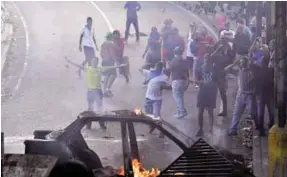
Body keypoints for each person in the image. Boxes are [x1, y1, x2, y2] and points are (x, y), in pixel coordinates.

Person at [65, 58, 126, 130]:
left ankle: (101, 125)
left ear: (97, 63)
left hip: (98, 91)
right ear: (91, 62)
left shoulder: (100, 69)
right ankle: (88, 125)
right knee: (90, 109)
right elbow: (78, 65)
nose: (94, 63)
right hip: (90, 91)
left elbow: (111, 67)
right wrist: (69, 61)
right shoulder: (88, 68)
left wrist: (120, 66)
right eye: (92, 62)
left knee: (99, 109)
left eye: (95, 62)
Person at [226, 56, 257, 136]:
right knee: (236, 113)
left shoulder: (252, 71)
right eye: (240, 62)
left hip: (250, 95)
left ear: (247, 63)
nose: (241, 63)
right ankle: (233, 130)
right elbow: (227, 69)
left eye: (243, 62)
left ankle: (256, 129)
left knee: (253, 114)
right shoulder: (238, 71)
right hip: (241, 94)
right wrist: (234, 63)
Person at [250, 37, 273, 136]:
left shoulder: (259, 65)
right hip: (264, 89)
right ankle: (266, 128)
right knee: (267, 110)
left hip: (263, 89)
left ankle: (263, 129)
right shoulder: (264, 66)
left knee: (262, 110)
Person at [195, 51, 217, 136]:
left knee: (210, 112)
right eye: (205, 58)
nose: (206, 60)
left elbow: (217, 81)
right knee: (200, 111)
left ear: (210, 60)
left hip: (211, 92)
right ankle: (200, 129)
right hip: (203, 91)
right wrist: (202, 82)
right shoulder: (200, 68)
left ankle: (211, 129)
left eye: (208, 59)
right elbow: (196, 81)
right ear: (203, 59)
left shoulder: (214, 69)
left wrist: (211, 83)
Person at [211, 35, 234, 117]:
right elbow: (211, 56)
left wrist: (227, 69)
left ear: (226, 40)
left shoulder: (228, 48)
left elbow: (231, 60)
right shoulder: (217, 46)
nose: (222, 40)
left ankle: (224, 111)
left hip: (222, 72)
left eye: (223, 39)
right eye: (221, 39)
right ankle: (211, 109)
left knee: (222, 92)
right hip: (215, 71)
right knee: (212, 90)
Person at [167, 46, 189, 119]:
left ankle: (182, 111)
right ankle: (180, 111)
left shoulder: (173, 61)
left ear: (175, 53)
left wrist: (167, 64)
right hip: (183, 81)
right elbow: (187, 72)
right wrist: (187, 82)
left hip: (176, 81)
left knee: (177, 97)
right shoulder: (184, 61)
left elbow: (168, 70)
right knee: (180, 97)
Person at [101, 32, 117, 97]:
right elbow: (112, 53)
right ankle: (108, 89)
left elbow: (101, 53)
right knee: (114, 75)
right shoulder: (111, 44)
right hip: (110, 62)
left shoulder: (103, 44)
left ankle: (104, 90)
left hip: (104, 61)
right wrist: (115, 61)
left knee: (107, 75)